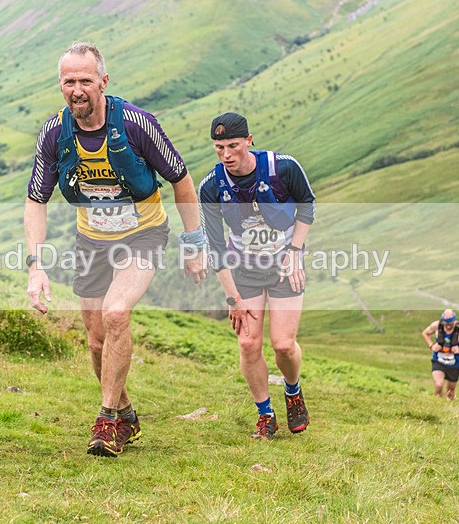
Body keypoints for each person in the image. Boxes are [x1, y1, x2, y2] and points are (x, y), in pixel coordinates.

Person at [25, 42, 206, 457]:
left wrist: (193, 243)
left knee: (116, 313)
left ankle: (106, 421)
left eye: (86, 80)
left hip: (143, 234)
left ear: (103, 82)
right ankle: (125, 415)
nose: (77, 90)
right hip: (92, 240)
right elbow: (36, 200)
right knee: (95, 341)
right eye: (69, 81)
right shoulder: (54, 134)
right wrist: (36, 267)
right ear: (60, 85)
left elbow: (180, 179)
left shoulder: (138, 125)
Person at [198, 112, 315, 440]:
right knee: (248, 343)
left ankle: (293, 392)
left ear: (249, 140)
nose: (226, 154)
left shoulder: (283, 168)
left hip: (284, 266)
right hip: (244, 269)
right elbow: (216, 246)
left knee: (282, 344)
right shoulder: (211, 186)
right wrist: (231, 297)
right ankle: (265, 414)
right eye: (219, 147)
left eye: (233, 145)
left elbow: (306, 207)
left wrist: (294, 253)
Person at [421, 310, 459, 400]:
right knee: (439, 385)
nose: (447, 325)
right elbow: (425, 333)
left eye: (450, 323)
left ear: (454, 320)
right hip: (438, 360)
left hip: (454, 363)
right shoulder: (437, 325)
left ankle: (448, 407)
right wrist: (431, 345)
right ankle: (437, 404)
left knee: (450, 391)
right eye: (445, 323)